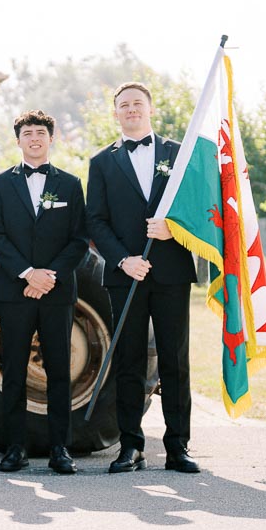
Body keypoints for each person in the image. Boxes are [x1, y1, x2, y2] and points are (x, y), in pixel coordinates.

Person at [87, 82, 198, 474]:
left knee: (175, 361)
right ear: (115, 113)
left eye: (137, 103)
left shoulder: (179, 155)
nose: (131, 109)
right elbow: (95, 220)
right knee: (128, 361)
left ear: (150, 109)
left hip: (171, 273)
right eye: (124, 105)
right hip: (125, 277)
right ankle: (130, 446)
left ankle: (178, 447)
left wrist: (175, 230)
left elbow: (199, 206)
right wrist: (122, 260)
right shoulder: (101, 162)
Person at [0, 109, 87, 475]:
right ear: (18, 140)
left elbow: (78, 240)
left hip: (57, 293)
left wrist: (49, 276)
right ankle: (15, 448)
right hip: (14, 292)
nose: (34, 138)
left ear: (50, 138)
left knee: (60, 371)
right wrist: (28, 274)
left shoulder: (71, 185)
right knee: (13, 371)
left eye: (40, 132)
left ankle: (61, 448)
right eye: (27, 132)